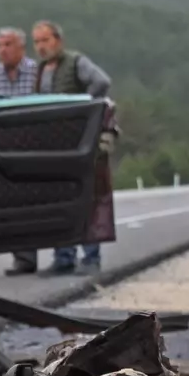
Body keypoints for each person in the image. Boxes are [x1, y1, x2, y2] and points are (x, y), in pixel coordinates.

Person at [30, 19, 113, 276]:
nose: (41, 46)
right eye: (37, 42)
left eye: (45, 40)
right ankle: (63, 257)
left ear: (58, 40)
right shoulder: (41, 70)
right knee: (61, 199)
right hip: (55, 143)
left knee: (88, 197)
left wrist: (83, 109)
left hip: (82, 142)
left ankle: (90, 258)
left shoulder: (76, 62)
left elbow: (101, 82)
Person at [0, 28, 43, 276]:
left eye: (8, 44)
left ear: (21, 47)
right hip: (3, 148)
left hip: (34, 145)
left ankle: (63, 256)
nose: (3, 50)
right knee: (14, 202)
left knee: (37, 200)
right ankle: (23, 258)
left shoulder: (37, 73)